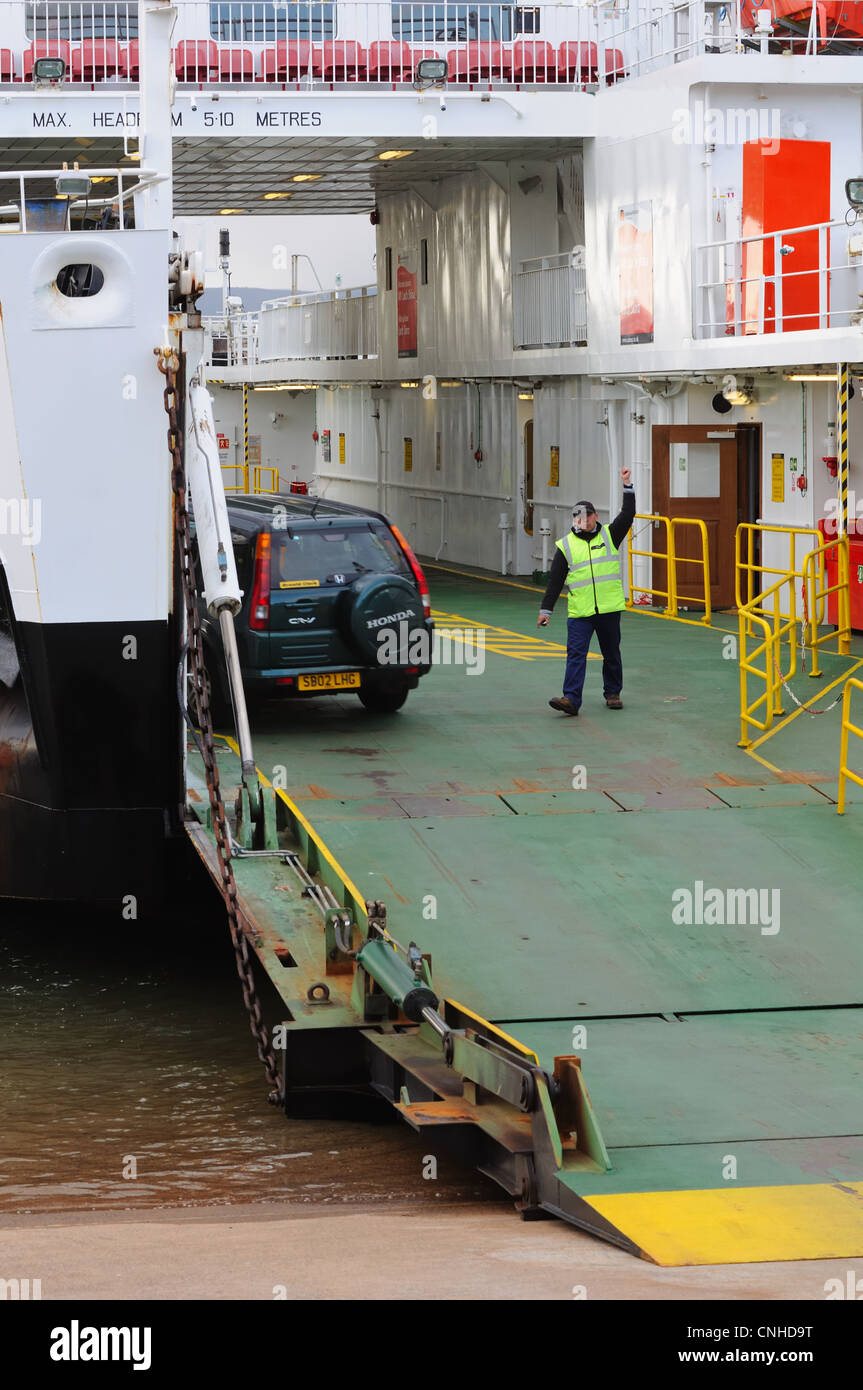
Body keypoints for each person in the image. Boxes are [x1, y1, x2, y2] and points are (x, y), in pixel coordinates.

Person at [538, 468, 635, 716]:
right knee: (576, 654)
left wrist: (627, 485)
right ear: (574, 519)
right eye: (579, 516)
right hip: (580, 612)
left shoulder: (610, 536)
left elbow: (628, 514)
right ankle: (571, 699)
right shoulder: (566, 545)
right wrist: (546, 610)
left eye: (588, 515)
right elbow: (555, 581)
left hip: (609, 609)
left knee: (611, 653)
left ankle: (613, 693)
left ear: (594, 517)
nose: (584, 520)